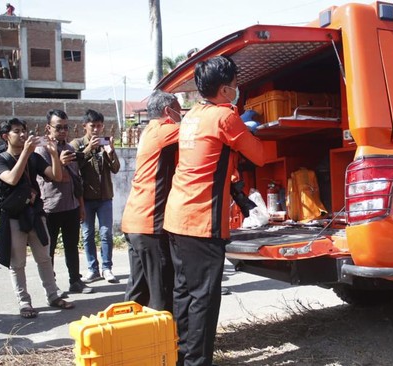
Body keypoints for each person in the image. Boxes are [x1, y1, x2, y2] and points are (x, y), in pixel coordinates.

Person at [163, 55, 265, 366]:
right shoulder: (224, 117)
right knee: (204, 298)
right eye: (235, 85)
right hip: (202, 220)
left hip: (177, 216)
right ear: (223, 90)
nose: (237, 89)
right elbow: (259, 155)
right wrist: (250, 128)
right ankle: (198, 362)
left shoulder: (193, 115)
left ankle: (181, 357)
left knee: (183, 292)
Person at [0, 118, 74, 318]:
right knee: (17, 263)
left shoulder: (34, 158)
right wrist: (26, 154)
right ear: (6, 137)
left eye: (24, 131)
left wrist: (54, 155)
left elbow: (56, 176)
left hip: (35, 214)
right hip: (13, 217)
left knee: (44, 258)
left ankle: (53, 296)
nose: (22, 134)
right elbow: (11, 178)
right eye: (17, 131)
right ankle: (24, 302)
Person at [122, 91, 181, 313]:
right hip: (149, 224)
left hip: (134, 222)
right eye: (179, 110)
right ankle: (164, 343)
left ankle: (128, 338)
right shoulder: (163, 130)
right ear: (168, 111)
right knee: (161, 290)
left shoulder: (149, 131)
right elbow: (200, 131)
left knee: (138, 290)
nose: (180, 116)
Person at [36, 109, 93, 295]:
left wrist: (81, 205)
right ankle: (52, 287)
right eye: (58, 127)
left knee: (72, 246)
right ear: (48, 128)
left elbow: (76, 180)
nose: (62, 131)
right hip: (50, 207)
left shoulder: (69, 148)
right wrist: (58, 162)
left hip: (71, 205)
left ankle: (75, 281)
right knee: (49, 250)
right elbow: (54, 177)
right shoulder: (41, 150)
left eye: (65, 127)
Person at [70, 110, 121, 284]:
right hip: (85, 198)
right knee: (87, 234)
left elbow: (115, 168)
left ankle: (107, 268)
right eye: (93, 126)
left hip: (105, 197)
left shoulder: (105, 143)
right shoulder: (76, 144)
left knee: (106, 233)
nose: (96, 130)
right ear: (85, 126)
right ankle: (93, 269)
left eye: (99, 126)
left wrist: (111, 152)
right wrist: (89, 149)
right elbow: (74, 166)